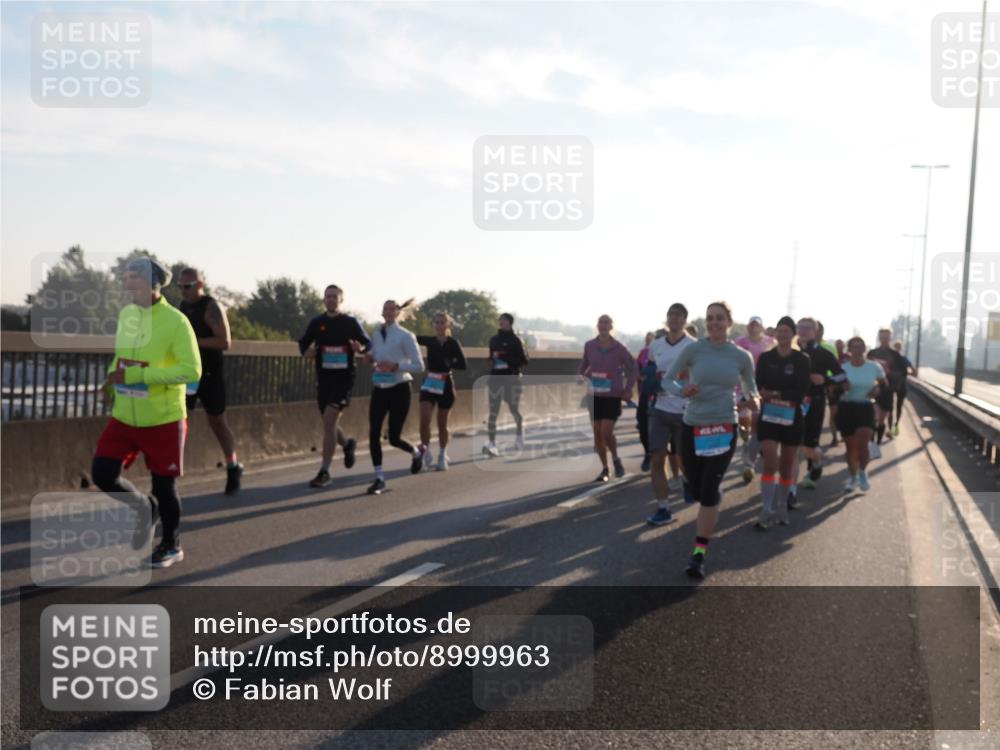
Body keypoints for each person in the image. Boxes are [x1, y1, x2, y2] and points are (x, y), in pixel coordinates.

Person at [92, 258, 200, 569]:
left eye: (134, 279)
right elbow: (122, 358)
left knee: (164, 485)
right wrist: (110, 382)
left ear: (153, 284)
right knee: (102, 473)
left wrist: (140, 377)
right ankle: (144, 507)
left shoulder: (176, 322)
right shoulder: (127, 314)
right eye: (125, 279)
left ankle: (171, 543)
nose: (127, 285)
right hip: (125, 414)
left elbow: (191, 371)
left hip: (163, 417)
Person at [662, 301, 759, 579]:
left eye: (719, 318)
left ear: (729, 321)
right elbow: (668, 381)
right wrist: (684, 390)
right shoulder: (693, 349)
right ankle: (689, 481)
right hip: (693, 426)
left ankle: (698, 555)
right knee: (694, 482)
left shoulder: (741, 356)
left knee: (709, 491)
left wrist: (753, 399)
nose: (714, 322)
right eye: (710, 318)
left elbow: (751, 388)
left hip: (723, 427)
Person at [177, 268, 242, 495]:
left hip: (211, 374)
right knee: (178, 421)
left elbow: (225, 342)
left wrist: (195, 341)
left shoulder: (211, 307)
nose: (183, 290)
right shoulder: (182, 308)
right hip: (189, 375)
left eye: (188, 286)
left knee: (217, 423)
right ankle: (170, 475)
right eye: (180, 286)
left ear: (200, 284)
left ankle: (232, 465)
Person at [298, 285, 370, 488]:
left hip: (344, 378)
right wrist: (305, 352)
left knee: (329, 420)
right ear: (324, 299)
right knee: (328, 423)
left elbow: (367, 343)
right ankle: (347, 444)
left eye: (334, 297)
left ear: (341, 300)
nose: (330, 300)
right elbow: (303, 343)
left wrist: (361, 348)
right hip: (324, 379)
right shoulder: (317, 323)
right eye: (327, 297)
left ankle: (325, 471)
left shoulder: (350, 323)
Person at [752, 316, 811, 528]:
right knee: (769, 462)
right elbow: (758, 385)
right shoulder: (766, 358)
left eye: (787, 331)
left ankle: (782, 506)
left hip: (792, 418)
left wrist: (775, 393)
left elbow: (800, 391)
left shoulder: (802, 360)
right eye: (780, 330)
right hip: (769, 417)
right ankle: (766, 509)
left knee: (786, 468)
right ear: (775, 334)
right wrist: (763, 393)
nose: (783, 334)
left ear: (793, 334)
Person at [365, 299, 425, 494]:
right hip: (380, 388)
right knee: (373, 432)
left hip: (400, 388)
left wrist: (396, 366)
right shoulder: (376, 333)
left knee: (394, 438)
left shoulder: (406, 336)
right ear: (382, 312)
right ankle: (379, 478)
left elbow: (419, 366)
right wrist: (369, 357)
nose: (389, 312)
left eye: (393, 309)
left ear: (398, 313)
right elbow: (376, 355)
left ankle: (416, 453)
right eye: (386, 309)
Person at [645, 303, 696, 526]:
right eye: (670, 315)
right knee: (658, 458)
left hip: (686, 411)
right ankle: (663, 508)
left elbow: (700, 375)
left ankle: (687, 480)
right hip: (661, 409)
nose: (673, 319)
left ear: (685, 320)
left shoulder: (694, 346)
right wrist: (652, 383)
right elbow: (649, 371)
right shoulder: (655, 345)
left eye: (678, 316)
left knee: (684, 459)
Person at [579, 315, 637, 482]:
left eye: (607, 323)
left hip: (612, 395)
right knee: (597, 433)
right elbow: (584, 364)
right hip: (594, 395)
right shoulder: (590, 346)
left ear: (612, 326)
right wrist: (580, 375)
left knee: (606, 432)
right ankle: (605, 468)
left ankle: (616, 458)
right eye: (601, 322)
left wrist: (628, 389)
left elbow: (633, 369)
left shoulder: (619, 348)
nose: (603, 325)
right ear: (597, 326)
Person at [795, 317, 846, 497]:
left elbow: (842, 376)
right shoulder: (790, 350)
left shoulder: (824, 354)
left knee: (810, 443)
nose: (803, 330)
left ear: (816, 331)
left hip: (815, 401)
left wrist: (826, 380)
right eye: (800, 327)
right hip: (791, 402)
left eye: (808, 328)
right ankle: (790, 488)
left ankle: (814, 466)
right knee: (793, 444)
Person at [416, 312, 467, 472]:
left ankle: (442, 454)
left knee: (441, 423)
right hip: (430, 382)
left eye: (442, 322)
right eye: (436, 322)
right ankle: (426, 453)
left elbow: (463, 364)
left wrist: (450, 362)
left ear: (448, 325)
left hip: (445, 384)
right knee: (424, 420)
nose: (438, 325)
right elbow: (410, 337)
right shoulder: (430, 341)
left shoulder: (453, 343)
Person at [838, 337, 887, 492]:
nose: (858, 350)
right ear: (849, 349)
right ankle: (853, 477)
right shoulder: (843, 368)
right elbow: (832, 388)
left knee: (863, 441)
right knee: (850, 447)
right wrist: (842, 388)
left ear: (865, 349)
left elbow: (884, 384)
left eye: (861, 347)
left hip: (865, 407)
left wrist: (877, 390)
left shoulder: (874, 367)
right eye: (854, 347)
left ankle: (863, 472)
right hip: (846, 407)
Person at [734, 315, 774, 483]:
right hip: (740, 386)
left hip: (759, 387)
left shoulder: (769, 342)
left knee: (756, 420)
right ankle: (747, 441)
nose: (753, 327)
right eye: (751, 325)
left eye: (756, 325)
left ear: (761, 327)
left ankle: (751, 454)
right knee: (742, 421)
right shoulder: (740, 341)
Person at [483, 313, 529, 457]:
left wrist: (506, 359)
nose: (500, 322)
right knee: (493, 413)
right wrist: (491, 361)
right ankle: (492, 444)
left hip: (511, 380)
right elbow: (491, 356)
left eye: (503, 320)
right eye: (500, 320)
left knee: (514, 409)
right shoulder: (494, 340)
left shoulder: (516, 340)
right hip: (496, 380)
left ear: (509, 323)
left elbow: (524, 361)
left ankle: (519, 434)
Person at [867, 328, 908, 444]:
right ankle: (871, 443)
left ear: (890, 338)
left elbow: (903, 373)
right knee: (873, 418)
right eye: (882, 337)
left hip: (887, 390)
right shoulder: (872, 353)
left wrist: (889, 374)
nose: (884, 339)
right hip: (873, 389)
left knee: (881, 419)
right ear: (879, 338)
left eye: (886, 337)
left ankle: (878, 441)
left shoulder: (895, 355)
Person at [636, 332, 658, 471]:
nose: (649, 343)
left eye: (651, 340)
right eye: (647, 340)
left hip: (662, 396)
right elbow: (637, 371)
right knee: (643, 428)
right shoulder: (644, 354)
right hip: (645, 395)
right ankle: (648, 453)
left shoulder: (669, 353)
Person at [891, 340, 917, 435]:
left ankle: (891, 427)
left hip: (891, 385)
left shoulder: (890, 358)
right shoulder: (904, 359)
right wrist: (906, 373)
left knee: (890, 407)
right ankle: (896, 425)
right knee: (899, 406)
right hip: (901, 385)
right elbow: (914, 372)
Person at [828, 339, 848, 447]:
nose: (839, 347)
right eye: (837, 345)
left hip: (846, 389)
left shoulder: (848, 357)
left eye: (841, 345)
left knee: (845, 414)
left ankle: (844, 435)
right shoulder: (831, 357)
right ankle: (834, 437)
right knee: (833, 413)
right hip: (834, 388)